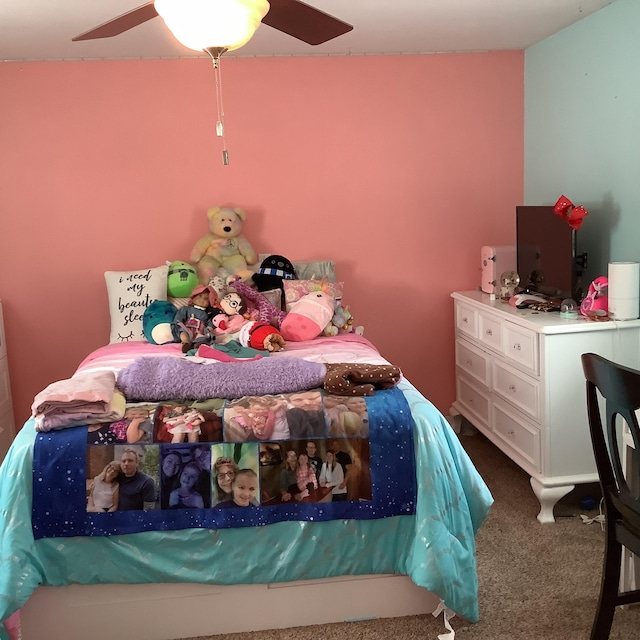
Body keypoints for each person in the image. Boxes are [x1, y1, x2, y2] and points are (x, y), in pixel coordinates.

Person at [171, 285, 217, 353]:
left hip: (199, 331)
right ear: (194, 297)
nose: (202, 300)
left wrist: (210, 327)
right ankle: (186, 342)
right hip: (187, 328)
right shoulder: (186, 309)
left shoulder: (207, 314)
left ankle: (198, 345)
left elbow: (210, 322)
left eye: (206, 298)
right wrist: (178, 322)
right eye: (200, 296)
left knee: (203, 337)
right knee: (183, 332)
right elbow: (180, 317)